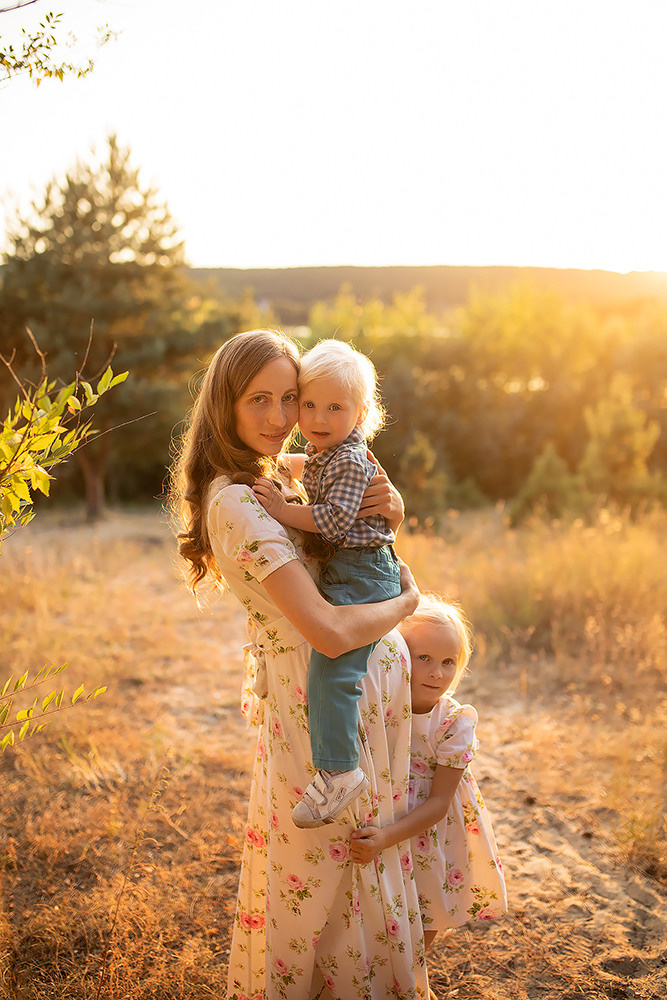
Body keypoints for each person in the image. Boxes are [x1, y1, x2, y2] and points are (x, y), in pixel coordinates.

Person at [168, 329, 430, 1000]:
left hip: (340, 695)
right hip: (316, 700)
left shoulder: (264, 476)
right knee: (325, 874)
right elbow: (330, 630)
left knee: (349, 869)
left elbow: (343, 502)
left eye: (291, 397)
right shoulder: (236, 501)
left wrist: (392, 504)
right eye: (259, 399)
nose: (281, 418)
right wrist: (405, 602)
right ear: (224, 405)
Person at [251, 339, 400, 829]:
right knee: (322, 660)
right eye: (308, 403)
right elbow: (302, 468)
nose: (317, 417)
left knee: (334, 668)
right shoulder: (324, 453)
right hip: (350, 566)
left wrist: (280, 509)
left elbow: (335, 521)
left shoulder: (350, 459)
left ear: (360, 414)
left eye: (335, 407)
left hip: (361, 569)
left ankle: (339, 770)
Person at [349, 594, 507, 951]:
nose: (437, 673)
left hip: (433, 830)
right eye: (424, 659)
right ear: (399, 657)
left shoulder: (453, 721)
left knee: (425, 917)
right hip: (386, 814)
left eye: (449, 662)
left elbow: (438, 802)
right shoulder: (379, 704)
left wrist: (387, 837)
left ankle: (413, 980)